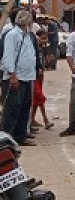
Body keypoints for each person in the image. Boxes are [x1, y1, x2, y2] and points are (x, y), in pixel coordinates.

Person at [1, 10, 37, 146]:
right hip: (17, 78)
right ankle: (8, 139)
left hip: (28, 77)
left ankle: (20, 137)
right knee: (12, 110)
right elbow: (8, 56)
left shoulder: (27, 35)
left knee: (24, 108)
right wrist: (12, 75)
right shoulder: (12, 35)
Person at [60, 18, 75, 137]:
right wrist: (72, 67)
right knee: (74, 101)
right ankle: (72, 126)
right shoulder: (73, 36)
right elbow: (69, 54)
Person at [31, 29, 53, 130]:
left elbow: (44, 62)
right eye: (42, 38)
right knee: (39, 96)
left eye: (46, 39)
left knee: (37, 98)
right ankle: (45, 120)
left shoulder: (43, 49)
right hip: (33, 75)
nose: (44, 41)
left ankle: (32, 120)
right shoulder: (33, 47)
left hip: (40, 75)